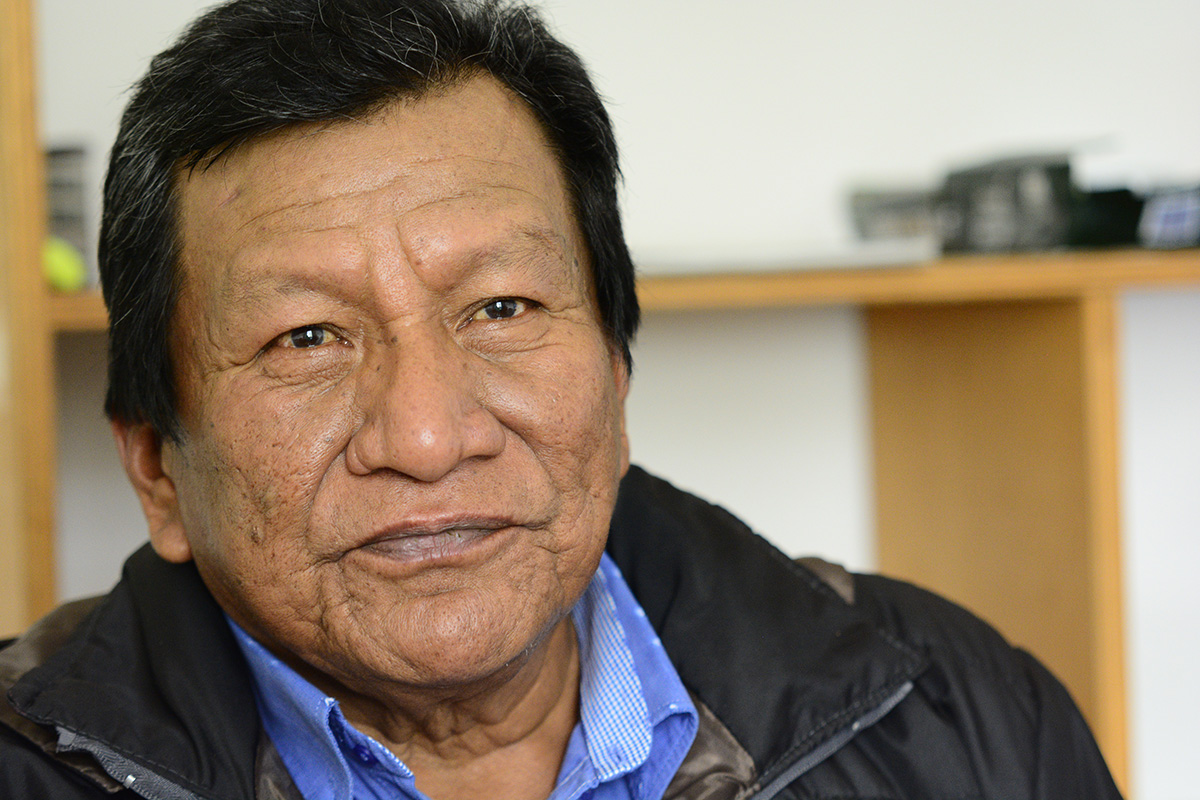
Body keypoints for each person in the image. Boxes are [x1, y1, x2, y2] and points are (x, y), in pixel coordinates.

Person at [0, 1, 1122, 798]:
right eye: (307, 335)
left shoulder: (961, 714)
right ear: (155, 465)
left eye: (500, 307)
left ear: (618, 377)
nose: (430, 436)